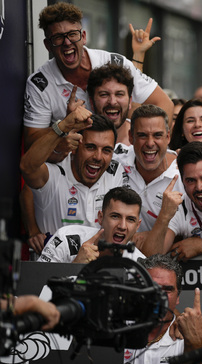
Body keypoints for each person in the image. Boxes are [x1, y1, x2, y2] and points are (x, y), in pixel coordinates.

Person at [23, 2, 172, 164]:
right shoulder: (40, 84)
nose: (67, 43)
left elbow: (164, 104)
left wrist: (142, 150)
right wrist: (64, 128)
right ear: (47, 45)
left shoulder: (114, 62)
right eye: (58, 38)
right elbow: (32, 141)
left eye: (73, 34)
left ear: (84, 36)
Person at [20, 113, 126, 236]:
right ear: (74, 148)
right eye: (90, 147)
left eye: (106, 150)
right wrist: (62, 127)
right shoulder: (55, 172)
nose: (98, 157)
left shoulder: (116, 171)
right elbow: (27, 167)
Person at [122, 254, 202, 364]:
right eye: (153, 288)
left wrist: (192, 343)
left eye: (168, 290)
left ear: (178, 298)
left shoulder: (189, 337)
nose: (159, 296)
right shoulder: (116, 332)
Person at [113, 104, 183, 233]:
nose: (150, 143)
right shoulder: (115, 158)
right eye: (142, 135)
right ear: (130, 137)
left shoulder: (183, 175)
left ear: (168, 137)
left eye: (157, 135)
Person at [37, 187, 145, 263]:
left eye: (130, 219)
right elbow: (36, 285)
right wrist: (75, 265)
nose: (122, 226)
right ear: (100, 218)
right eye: (115, 216)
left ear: (138, 225)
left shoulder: (139, 264)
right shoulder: (65, 239)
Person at [87, 63, 134, 146]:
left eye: (119, 94)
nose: (112, 102)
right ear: (91, 101)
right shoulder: (78, 141)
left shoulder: (144, 140)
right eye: (104, 94)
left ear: (130, 101)